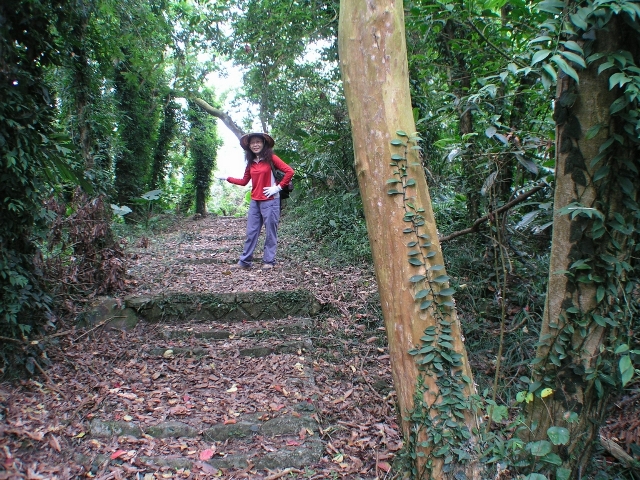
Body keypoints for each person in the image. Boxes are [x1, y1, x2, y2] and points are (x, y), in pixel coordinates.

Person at [218, 132, 294, 270]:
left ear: (263, 144)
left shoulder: (271, 158)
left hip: (271, 200)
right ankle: (245, 261)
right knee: (251, 232)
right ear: (249, 146)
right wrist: (227, 178)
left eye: (258, 142)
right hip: (255, 201)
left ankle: (268, 261)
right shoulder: (251, 163)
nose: (255, 145)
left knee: (271, 231)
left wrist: (277, 187)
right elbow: (244, 181)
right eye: (253, 143)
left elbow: (289, 171)